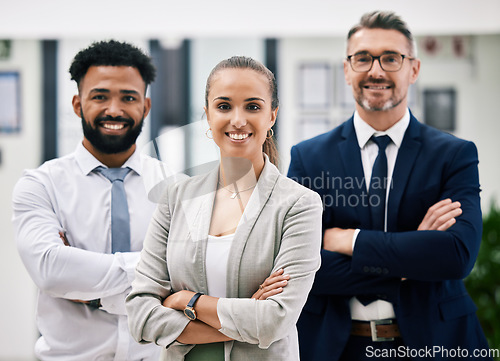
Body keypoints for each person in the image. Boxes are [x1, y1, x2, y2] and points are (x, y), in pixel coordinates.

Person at [288, 11, 492, 361]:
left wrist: (348, 241)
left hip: (437, 343)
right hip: (336, 347)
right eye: (363, 58)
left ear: (413, 69)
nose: (376, 70)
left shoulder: (454, 155)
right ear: (347, 69)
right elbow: (299, 268)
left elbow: (457, 256)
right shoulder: (309, 158)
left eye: (391, 58)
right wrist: (410, 262)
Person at [126, 56, 323, 361]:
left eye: (253, 107)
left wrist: (188, 300)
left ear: (272, 116)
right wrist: (246, 319)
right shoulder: (176, 198)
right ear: (207, 115)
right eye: (224, 106)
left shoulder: (298, 204)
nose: (238, 119)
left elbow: (276, 320)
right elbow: (140, 314)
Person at [12, 40, 169, 360]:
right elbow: (51, 270)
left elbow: (191, 275)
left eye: (128, 97)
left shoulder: (175, 186)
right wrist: (154, 269)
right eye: (100, 97)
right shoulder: (41, 185)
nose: (114, 110)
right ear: (77, 104)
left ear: (145, 107)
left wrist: (88, 286)